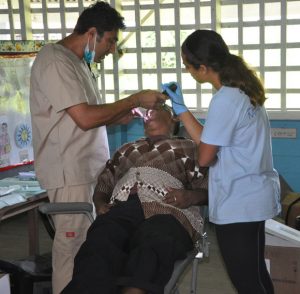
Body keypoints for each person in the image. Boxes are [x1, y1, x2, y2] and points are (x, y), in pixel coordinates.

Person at [29, 2, 167, 293]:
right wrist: (132, 100)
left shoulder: (80, 63)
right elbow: (84, 118)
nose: (112, 49)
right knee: (71, 247)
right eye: (111, 41)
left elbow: (93, 116)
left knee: (91, 249)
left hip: (90, 170)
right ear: (92, 33)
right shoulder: (55, 61)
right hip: (70, 173)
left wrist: (125, 114)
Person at [162, 29, 281, 294]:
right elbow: (210, 138)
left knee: (247, 282)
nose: (187, 70)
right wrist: (181, 110)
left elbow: (205, 155)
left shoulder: (225, 99)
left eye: (188, 65)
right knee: (257, 275)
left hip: (238, 203)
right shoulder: (242, 90)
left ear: (203, 67)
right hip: (254, 197)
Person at [61, 106, 208, 294]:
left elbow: (210, 189)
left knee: (155, 239)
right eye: (147, 109)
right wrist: (100, 203)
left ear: (174, 119)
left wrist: (190, 196)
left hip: (169, 210)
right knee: (101, 238)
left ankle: (135, 290)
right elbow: (105, 183)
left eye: (159, 108)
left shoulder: (190, 147)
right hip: (123, 207)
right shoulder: (125, 150)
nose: (150, 111)